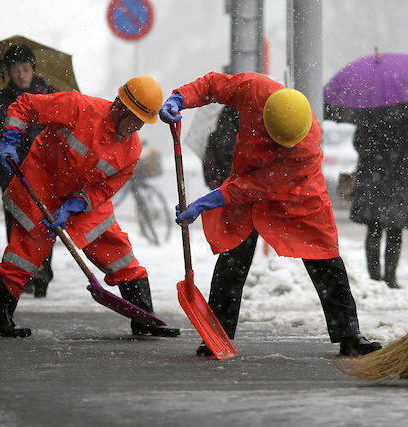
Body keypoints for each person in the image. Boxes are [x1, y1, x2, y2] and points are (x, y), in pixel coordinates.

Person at [158, 71, 382, 357]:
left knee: (325, 257)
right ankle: (217, 336)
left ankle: (350, 335)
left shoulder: (305, 145)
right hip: (246, 182)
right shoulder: (254, 89)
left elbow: (257, 186)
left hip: (299, 195)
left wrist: (207, 202)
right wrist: (180, 98)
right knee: (233, 257)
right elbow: (213, 86)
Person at [0, 76, 180, 339]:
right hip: (41, 187)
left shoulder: (131, 150)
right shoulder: (78, 107)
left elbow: (105, 189)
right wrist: (11, 137)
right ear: (121, 107)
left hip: (83, 202)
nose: (137, 128)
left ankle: (144, 319)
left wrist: (77, 204)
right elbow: (26, 105)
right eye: (135, 119)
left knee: (120, 254)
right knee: (23, 257)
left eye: (142, 123)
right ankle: (1, 321)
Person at [0, 44, 58, 297]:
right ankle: (19, 276)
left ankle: (42, 275)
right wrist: (9, 137)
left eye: (26, 69)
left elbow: (65, 129)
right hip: (12, 175)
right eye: (16, 70)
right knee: (15, 226)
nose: (22, 75)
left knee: (44, 224)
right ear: (8, 73)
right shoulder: (0, 101)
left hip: (45, 173)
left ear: (33, 69)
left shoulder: (50, 95)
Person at [350, 112, 408, 288]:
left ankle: (374, 278)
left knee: (374, 228)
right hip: (401, 178)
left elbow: (358, 142)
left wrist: (374, 155)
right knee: (395, 230)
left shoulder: (370, 111)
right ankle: (391, 278)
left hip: (373, 176)